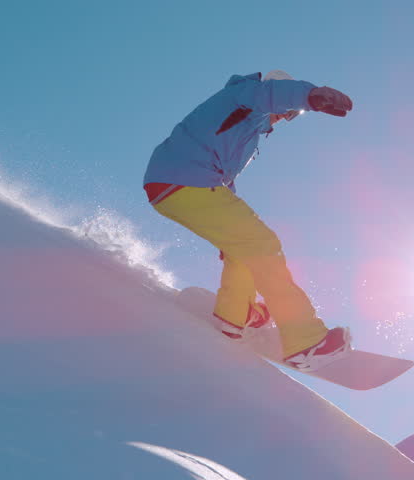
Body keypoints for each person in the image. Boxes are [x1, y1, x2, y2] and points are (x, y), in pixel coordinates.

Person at [143, 70, 354, 372]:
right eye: (288, 111)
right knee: (263, 245)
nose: (285, 118)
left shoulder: (247, 127)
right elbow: (270, 94)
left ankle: (235, 316)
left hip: (178, 183)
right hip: (183, 180)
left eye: (292, 116)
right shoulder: (245, 95)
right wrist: (311, 95)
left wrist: (228, 231)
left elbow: (223, 179)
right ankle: (306, 343)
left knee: (246, 247)